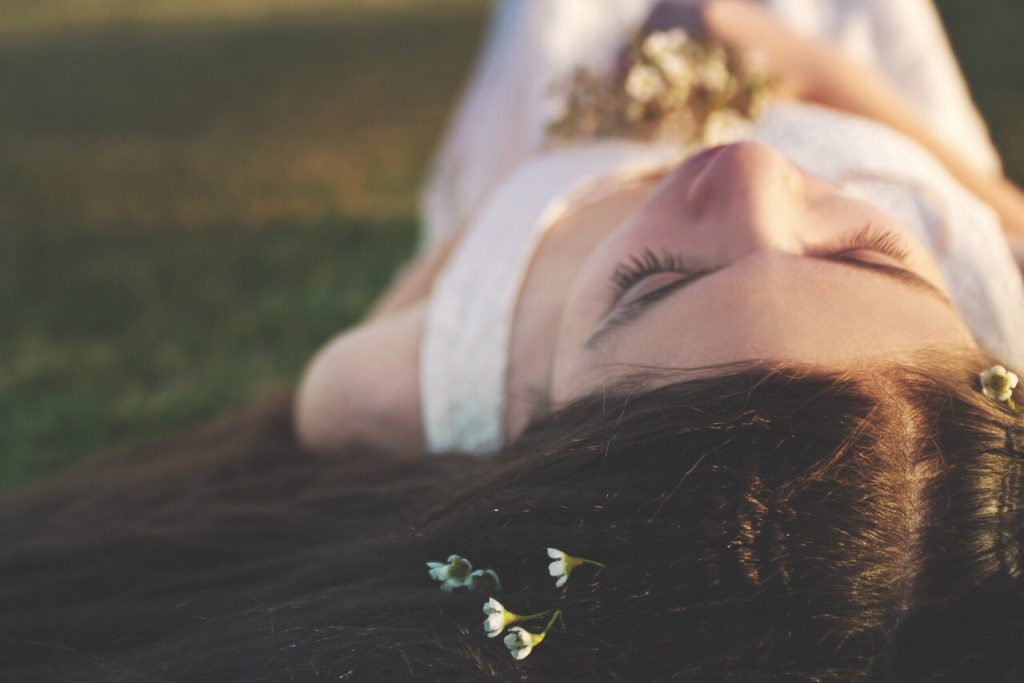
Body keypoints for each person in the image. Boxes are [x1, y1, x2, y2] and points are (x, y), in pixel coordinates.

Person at [3, 1, 1024, 681]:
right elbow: (994, 200)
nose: (747, 172)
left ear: (542, 423)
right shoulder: (995, 314)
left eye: (659, 280)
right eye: (866, 258)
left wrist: (565, 153)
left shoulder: (414, 378)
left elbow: (436, 272)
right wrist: (776, 49)